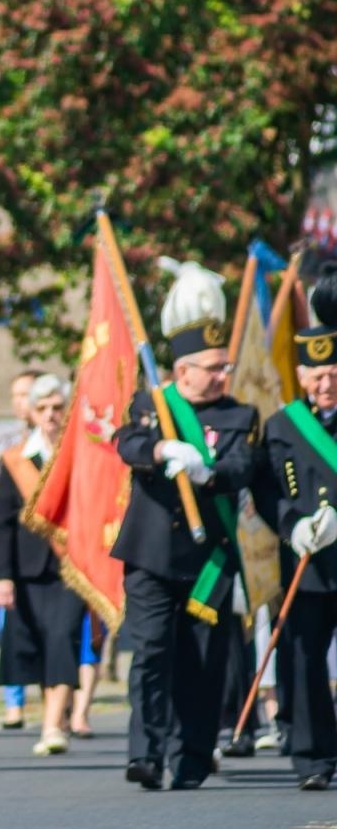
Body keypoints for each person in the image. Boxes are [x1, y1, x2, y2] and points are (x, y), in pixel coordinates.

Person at [113, 304, 258, 790]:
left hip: (208, 559)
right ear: (182, 371)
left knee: (202, 660)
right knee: (150, 652)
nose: (221, 375)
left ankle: (192, 757)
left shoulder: (239, 414)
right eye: (213, 367)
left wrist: (207, 472)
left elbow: (244, 466)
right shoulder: (153, 404)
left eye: (224, 366)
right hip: (150, 555)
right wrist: (160, 449)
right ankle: (146, 754)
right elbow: (126, 443)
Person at [251, 318, 337, 790]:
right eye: (317, 376)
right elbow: (265, 489)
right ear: (301, 376)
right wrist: (292, 525)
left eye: (333, 375)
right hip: (307, 563)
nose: (325, 385)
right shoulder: (282, 426)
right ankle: (313, 757)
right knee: (303, 660)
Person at [0, 374, 89, 756]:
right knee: (37, 644)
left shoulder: (83, 455)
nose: (50, 415)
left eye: (57, 407)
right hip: (27, 569)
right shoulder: (15, 459)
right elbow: (2, 524)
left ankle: (51, 726)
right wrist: (3, 576)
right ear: (31, 413)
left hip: (71, 567)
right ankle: (53, 716)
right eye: (43, 408)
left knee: (63, 637)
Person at [0, 369, 46, 727]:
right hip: (16, 545)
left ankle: (58, 704)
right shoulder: (7, 443)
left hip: (51, 549)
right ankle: (14, 701)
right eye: (16, 396)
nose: (20, 403)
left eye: (26, 394)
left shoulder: (63, 439)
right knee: (12, 627)